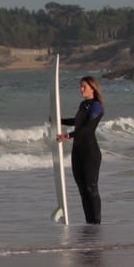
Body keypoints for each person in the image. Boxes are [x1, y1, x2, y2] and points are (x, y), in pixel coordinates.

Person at [58, 76, 105, 224]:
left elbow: (87, 129)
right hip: (77, 152)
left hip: (90, 153)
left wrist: (68, 135)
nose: (81, 89)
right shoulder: (83, 104)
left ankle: (96, 222)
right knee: (82, 190)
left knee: (91, 188)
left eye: (84, 86)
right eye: (80, 86)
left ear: (93, 88)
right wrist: (59, 120)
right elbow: (77, 122)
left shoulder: (97, 106)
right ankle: (89, 223)